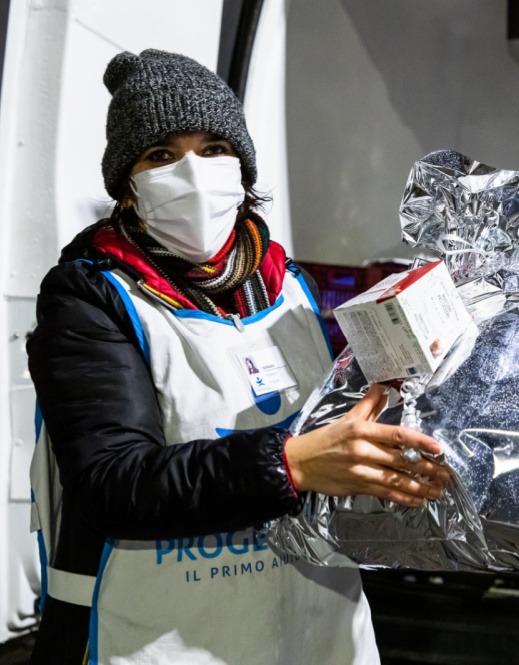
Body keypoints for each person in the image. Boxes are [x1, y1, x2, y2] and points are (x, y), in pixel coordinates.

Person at [26, 48, 451, 665]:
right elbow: (111, 482)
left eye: (214, 149)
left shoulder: (288, 285)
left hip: (316, 629)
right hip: (167, 637)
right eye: (161, 156)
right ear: (127, 189)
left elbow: (335, 422)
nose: (194, 172)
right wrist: (289, 464)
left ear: (243, 169)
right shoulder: (90, 295)